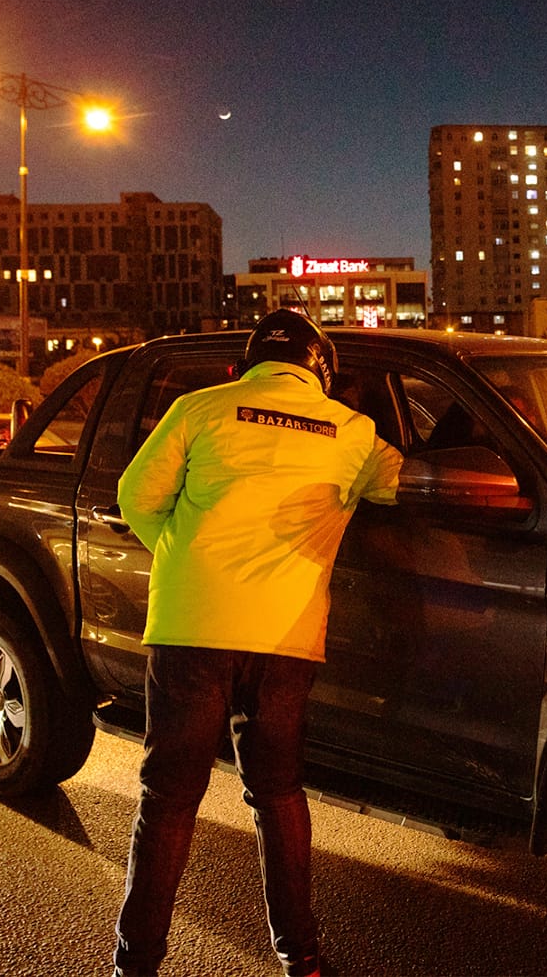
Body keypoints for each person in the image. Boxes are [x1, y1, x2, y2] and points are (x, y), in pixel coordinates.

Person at [112, 311, 402, 977]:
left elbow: (136, 495)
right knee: (278, 795)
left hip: (191, 627)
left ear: (246, 365)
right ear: (320, 370)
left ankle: (136, 965)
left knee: (168, 800)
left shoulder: (199, 408)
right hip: (285, 637)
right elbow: (403, 484)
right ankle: (302, 957)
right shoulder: (354, 432)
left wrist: (184, 558)